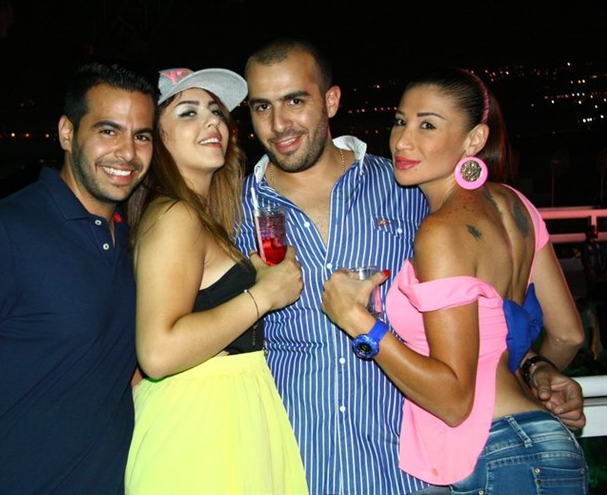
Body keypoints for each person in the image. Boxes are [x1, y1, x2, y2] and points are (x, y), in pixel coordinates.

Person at [236, 37, 588, 494]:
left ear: (331, 100)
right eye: (261, 106)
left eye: (295, 101)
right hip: (302, 463)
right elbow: (532, 326)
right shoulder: (231, 209)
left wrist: (357, 320)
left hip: (415, 470)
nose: (278, 122)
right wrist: (533, 372)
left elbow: (483, 329)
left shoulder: (411, 192)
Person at [0, 62, 157, 494]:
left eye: (142, 136)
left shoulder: (134, 242)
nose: (128, 152)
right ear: (67, 133)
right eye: (109, 131)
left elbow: (118, 367)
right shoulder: (0, 234)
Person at [124, 67, 308, 494]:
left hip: (223, 420)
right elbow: (158, 352)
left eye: (216, 111)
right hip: (199, 430)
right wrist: (263, 295)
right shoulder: (175, 215)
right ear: (157, 138)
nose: (212, 122)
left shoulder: (201, 217)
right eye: (188, 112)